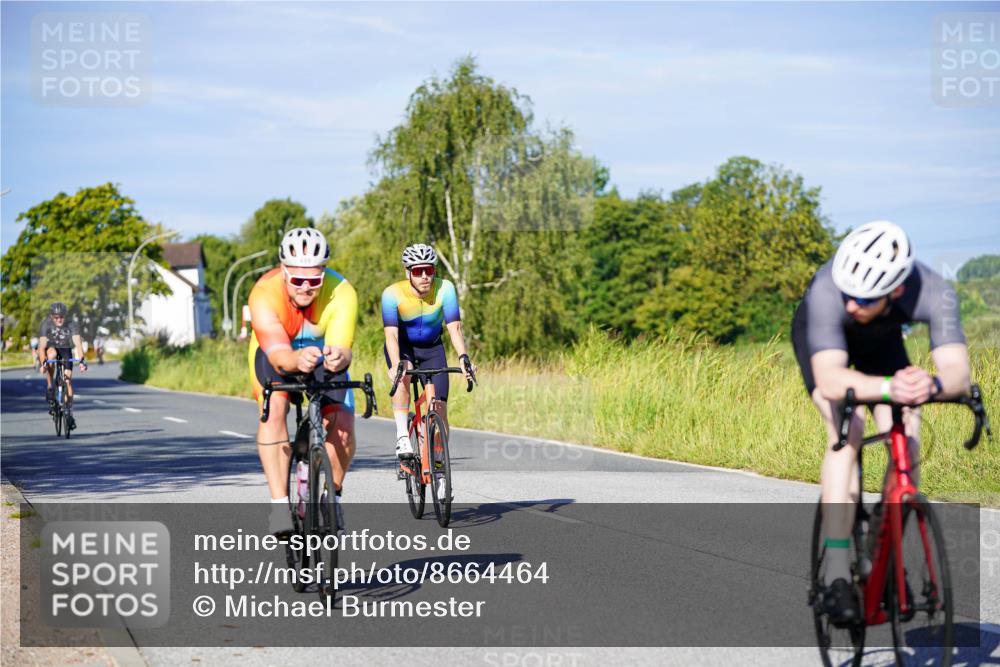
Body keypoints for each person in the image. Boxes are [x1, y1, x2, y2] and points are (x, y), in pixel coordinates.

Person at [791, 221, 969, 625]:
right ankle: (837, 571)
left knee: (909, 428)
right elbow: (832, 380)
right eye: (848, 293)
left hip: (883, 346)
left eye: (865, 298)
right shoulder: (827, 291)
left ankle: (881, 546)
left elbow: (958, 374)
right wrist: (892, 385)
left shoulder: (935, 291)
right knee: (847, 431)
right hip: (826, 347)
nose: (852, 303)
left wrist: (931, 383)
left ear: (896, 291)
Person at [247, 228, 358, 536]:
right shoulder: (263, 292)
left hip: (321, 354)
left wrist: (339, 356)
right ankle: (280, 505)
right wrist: (296, 360)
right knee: (275, 409)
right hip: (274, 354)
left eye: (314, 279)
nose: (307, 287)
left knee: (344, 425)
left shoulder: (342, 291)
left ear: (324, 273)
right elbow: (280, 356)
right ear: (284, 273)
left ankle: (331, 497)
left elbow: (343, 347)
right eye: (297, 280)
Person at [381, 244, 476, 496]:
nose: (425, 276)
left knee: (439, 409)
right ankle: (403, 434)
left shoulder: (446, 289)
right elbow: (390, 335)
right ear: (408, 272)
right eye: (419, 271)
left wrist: (464, 357)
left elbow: (454, 328)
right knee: (403, 374)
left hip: (433, 348)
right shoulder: (392, 294)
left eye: (429, 270)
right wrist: (396, 363)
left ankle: (439, 470)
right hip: (403, 347)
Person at [37, 302, 88, 429]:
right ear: (51, 317)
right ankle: (50, 386)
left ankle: (69, 412)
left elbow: (78, 344)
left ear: (65, 316)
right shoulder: (46, 324)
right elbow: (41, 347)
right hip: (51, 347)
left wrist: (82, 361)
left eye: (61, 317)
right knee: (52, 355)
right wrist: (43, 363)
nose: (59, 319)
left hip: (65, 349)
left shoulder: (72, 324)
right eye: (56, 317)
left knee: (68, 380)